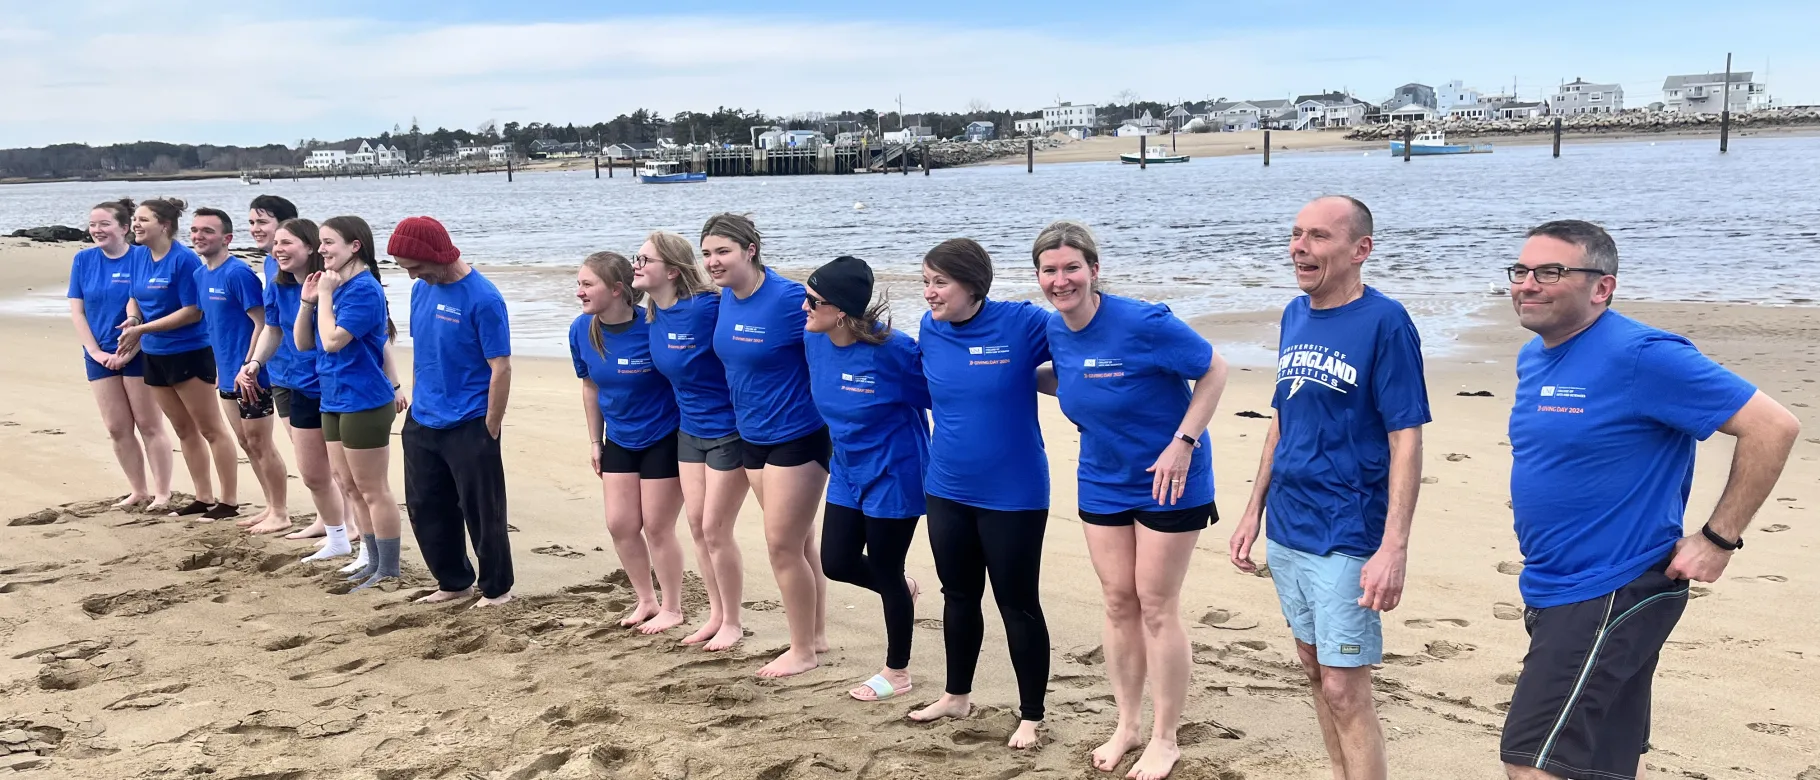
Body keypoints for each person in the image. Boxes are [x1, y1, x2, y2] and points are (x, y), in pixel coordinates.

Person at [1499, 220, 1799, 780]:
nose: (1528, 284)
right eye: (1521, 271)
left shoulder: (1644, 355)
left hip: (1615, 585)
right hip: (1553, 583)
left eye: (1551, 272)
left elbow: (1773, 426)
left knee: (1531, 761)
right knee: (1597, 766)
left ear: (1602, 288)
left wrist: (1717, 539)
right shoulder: (1535, 357)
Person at [1228, 196, 1430, 780]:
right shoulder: (1295, 313)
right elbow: (1281, 420)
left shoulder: (1385, 322)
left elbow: (1406, 439)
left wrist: (1394, 547)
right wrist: (1252, 511)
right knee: (1315, 667)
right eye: (1295, 234)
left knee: (1345, 686)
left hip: (1349, 526)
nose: (1300, 247)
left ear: (1360, 249)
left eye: (1318, 236)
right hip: (1290, 524)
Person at [1033, 222, 1228, 780]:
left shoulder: (1144, 323)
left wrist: (1182, 443)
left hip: (1171, 478)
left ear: (1094, 270)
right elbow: (1071, 374)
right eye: (1050, 270)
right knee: (1119, 601)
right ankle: (1128, 724)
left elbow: (1213, 368)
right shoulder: (1056, 328)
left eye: (1072, 268)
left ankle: (1166, 737)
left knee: (1155, 604)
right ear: (1040, 278)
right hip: (1102, 478)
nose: (1061, 279)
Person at [906, 238, 1052, 750]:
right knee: (959, 596)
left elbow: (1085, 340)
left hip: (1013, 493)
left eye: (940, 282)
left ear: (974, 285)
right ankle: (956, 694)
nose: (929, 293)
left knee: (1018, 604)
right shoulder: (930, 327)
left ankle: (1031, 714)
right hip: (946, 487)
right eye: (925, 281)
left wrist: (1066, 383)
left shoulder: (1023, 323)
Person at [703, 213, 830, 678]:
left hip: (798, 434)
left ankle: (802, 651)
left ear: (750, 250)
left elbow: (835, 337)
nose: (713, 262)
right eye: (707, 253)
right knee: (800, 541)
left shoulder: (790, 298)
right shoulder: (726, 300)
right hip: (750, 437)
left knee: (780, 545)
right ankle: (815, 633)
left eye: (723, 252)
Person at [800, 255, 931, 702]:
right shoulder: (814, 340)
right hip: (848, 469)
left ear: (840, 310)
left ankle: (897, 673)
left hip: (896, 472)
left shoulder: (893, 351)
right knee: (835, 562)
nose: (804, 307)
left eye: (813, 300)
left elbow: (945, 396)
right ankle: (901, 590)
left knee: (886, 568)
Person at [631, 230, 749, 650]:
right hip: (689, 432)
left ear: (674, 271)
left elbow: (755, 338)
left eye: (645, 259)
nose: (637, 265)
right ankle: (716, 614)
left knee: (717, 530)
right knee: (698, 528)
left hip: (729, 431)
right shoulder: (651, 315)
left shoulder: (707, 308)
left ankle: (734, 621)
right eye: (636, 257)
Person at [390, 216, 516, 608]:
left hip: (470, 422)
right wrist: (415, 400)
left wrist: (490, 426)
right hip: (423, 418)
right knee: (426, 507)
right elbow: (425, 350)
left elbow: (501, 367)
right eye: (406, 269)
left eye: (416, 266)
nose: (412, 276)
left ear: (437, 255)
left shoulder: (484, 298)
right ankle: (453, 581)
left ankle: (496, 590)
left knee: (483, 513)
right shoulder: (421, 291)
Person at [571, 251, 686, 630]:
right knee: (620, 524)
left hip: (663, 436)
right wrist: (594, 441)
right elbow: (590, 387)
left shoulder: (652, 325)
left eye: (588, 284)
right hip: (618, 438)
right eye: (579, 284)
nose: (580, 292)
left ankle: (673, 607)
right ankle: (646, 600)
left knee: (656, 526)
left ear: (618, 289)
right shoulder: (581, 330)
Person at [296, 216, 408, 591]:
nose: (322, 251)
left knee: (372, 487)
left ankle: (388, 568)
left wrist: (324, 296)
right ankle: (372, 560)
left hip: (364, 399)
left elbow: (332, 342)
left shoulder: (363, 290)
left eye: (329, 243)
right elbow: (305, 343)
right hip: (333, 397)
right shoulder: (336, 286)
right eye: (321, 243)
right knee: (348, 485)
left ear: (354, 246)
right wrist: (309, 301)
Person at [238, 218, 358, 563]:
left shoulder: (333, 283)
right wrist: (255, 363)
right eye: (276, 244)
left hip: (329, 385)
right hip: (289, 379)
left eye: (287, 243)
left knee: (341, 471)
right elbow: (272, 330)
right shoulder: (276, 285)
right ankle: (335, 531)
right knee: (312, 471)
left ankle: (349, 529)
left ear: (310, 247)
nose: (278, 249)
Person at [118, 198, 240, 520]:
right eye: (135, 220)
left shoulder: (184, 260)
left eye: (144, 220)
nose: (136, 226)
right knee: (183, 429)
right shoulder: (139, 256)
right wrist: (134, 321)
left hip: (189, 352)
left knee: (211, 429)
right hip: (154, 354)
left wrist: (143, 328)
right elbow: (134, 296)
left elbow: (192, 311)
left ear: (165, 226)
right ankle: (203, 497)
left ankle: (228, 501)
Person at [67, 198, 174, 510]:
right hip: (98, 354)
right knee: (117, 427)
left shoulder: (142, 257)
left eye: (105, 224)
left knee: (149, 423)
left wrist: (129, 350)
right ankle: (138, 490)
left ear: (125, 228)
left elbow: (151, 307)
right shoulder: (83, 260)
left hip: (139, 351)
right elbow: (78, 312)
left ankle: (162, 493)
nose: (97, 230)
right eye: (93, 224)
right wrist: (96, 352)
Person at [191, 208, 290, 534]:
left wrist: (248, 365)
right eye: (194, 230)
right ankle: (269, 506)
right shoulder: (200, 275)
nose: (199, 236)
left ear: (226, 238)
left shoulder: (238, 274)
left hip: (251, 375)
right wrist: (222, 368)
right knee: (246, 444)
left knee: (261, 444)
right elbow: (213, 325)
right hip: (227, 373)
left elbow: (262, 323)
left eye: (207, 230)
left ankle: (281, 511)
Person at [243, 194, 329, 539]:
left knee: (327, 458)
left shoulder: (327, 278)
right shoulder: (272, 270)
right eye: (251, 223)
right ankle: (327, 518)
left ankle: (343, 522)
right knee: (305, 455)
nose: (256, 230)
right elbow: (270, 326)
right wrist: (253, 362)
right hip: (282, 373)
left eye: (262, 222)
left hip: (317, 376)